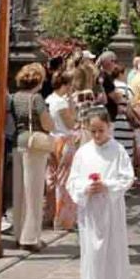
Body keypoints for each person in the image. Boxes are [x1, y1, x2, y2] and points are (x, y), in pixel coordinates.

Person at [67, 111, 133, 279]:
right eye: (92, 131)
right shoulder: (83, 153)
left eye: (100, 130)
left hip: (111, 209)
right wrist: (87, 187)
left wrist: (107, 186)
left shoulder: (118, 150)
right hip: (91, 213)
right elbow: (72, 181)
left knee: (113, 253)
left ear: (109, 127)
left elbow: (127, 177)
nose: (96, 135)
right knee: (92, 256)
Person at [10, 64, 53, 251]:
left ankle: (19, 233)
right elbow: (47, 123)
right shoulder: (37, 99)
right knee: (34, 193)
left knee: (18, 192)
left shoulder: (14, 97)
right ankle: (30, 238)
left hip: (17, 142)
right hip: (34, 144)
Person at [46, 69, 82, 229]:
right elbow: (71, 123)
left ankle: (50, 213)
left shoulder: (50, 99)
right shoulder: (61, 103)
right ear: (65, 85)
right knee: (64, 180)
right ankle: (62, 220)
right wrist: (73, 107)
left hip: (52, 139)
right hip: (64, 140)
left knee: (52, 179)